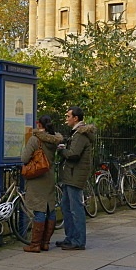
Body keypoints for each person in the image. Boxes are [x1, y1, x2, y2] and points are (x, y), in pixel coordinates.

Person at [20, 115, 63, 253]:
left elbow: (25, 158)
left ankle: (35, 244)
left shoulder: (35, 139)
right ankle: (45, 243)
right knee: (50, 208)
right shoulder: (54, 140)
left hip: (37, 178)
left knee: (39, 209)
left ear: (39, 124)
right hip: (49, 176)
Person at [55, 106, 95, 251]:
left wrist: (61, 150)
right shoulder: (76, 133)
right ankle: (70, 237)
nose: (66, 119)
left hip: (75, 175)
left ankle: (78, 241)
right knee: (66, 207)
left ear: (75, 118)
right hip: (70, 175)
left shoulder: (80, 134)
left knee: (75, 208)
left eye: (68, 116)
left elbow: (73, 154)